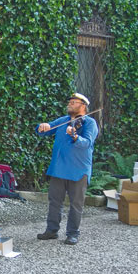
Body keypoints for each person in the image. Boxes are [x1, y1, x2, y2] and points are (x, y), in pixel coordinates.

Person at [36, 93, 98, 245]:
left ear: (83, 106)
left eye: (73, 102)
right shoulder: (63, 121)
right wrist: (41, 127)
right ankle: (51, 230)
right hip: (58, 169)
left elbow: (86, 143)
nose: (69, 104)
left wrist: (75, 136)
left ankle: (72, 234)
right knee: (54, 202)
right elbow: (44, 131)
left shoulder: (89, 123)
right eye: (69, 102)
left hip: (78, 170)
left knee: (76, 204)